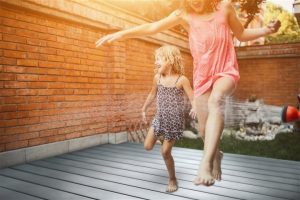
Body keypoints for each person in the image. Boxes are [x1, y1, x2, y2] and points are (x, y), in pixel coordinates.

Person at [96, 0, 281, 186]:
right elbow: (153, 27)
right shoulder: (183, 14)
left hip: (225, 70)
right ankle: (217, 155)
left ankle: (205, 164)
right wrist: (122, 33)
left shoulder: (224, 8)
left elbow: (240, 33)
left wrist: (266, 30)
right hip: (202, 77)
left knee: (216, 101)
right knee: (202, 131)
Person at [141, 45, 196, 192]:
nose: (155, 62)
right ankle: (160, 139)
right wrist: (144, 108)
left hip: (174, 122)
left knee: (165, 152)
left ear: (170, 60)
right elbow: (152, 94)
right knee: (147, 146)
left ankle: (172, 179)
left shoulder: (181, 79)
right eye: (155, 59)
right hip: (160, 118)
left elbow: (192, 97)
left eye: (159, 59)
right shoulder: (157, 78)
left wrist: (195, 107)